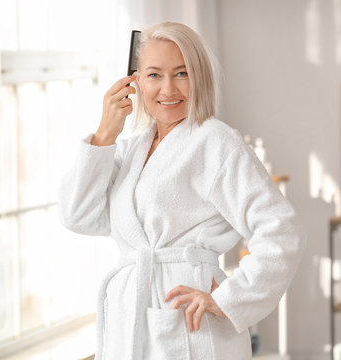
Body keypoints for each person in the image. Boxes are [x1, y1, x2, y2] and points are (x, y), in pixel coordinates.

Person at [57, 21, 305, 360]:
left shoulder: (214, 141)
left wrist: (229, 297)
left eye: (182, 73)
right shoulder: (130, 150)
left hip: (188, 321)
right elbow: (78, 216)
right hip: (130, 317)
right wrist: (104, 135)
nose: (168, 89)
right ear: (136, 81)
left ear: (198, 76)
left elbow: (282, 229)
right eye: (155, 75)